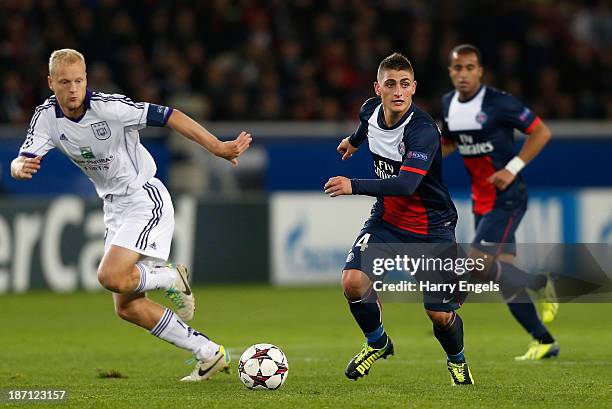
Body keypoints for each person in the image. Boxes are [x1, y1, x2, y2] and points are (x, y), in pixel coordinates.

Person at [10, 49, 252, 381]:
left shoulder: (110, 107)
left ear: (86, 80)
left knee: (109, 276)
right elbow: (22, 157)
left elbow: (170, 115)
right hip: (114, 208)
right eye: (64, 82)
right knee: (127, 307)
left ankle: (169, 277)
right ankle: (208, 352)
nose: (73, 89)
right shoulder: (46, 117)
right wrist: (19, 166)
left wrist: (217, 147)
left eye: (79, 81)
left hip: (143, 198)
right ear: (51, 83)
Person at [325, 52, 474, 385]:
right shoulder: (369, 110)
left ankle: (457, 361)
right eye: (390, 84)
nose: (397, 91)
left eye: (404, 85)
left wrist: (354, 185)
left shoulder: (422, 131)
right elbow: (367, 127)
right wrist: (353, 142)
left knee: (439, 313)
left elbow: (407, 185)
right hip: (387, 221)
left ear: (413, 89)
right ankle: (377, 343)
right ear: (378, 88)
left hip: (431, 226)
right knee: (352, 282)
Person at [441, 44, 559, 360]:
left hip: (508, 197)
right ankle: (545, 340)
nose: (463, 74)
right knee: (504, 279)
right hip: (482, 200)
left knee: (479, 262)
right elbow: (451, 142)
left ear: (480, 71)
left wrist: (512, 168)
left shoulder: (499, 103)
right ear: (450, 72)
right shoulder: (448, 104)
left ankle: (541, 281)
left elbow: (541, 133)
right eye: (457, 68)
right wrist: (421, 161)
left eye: (469, 68)